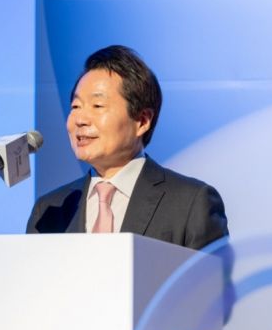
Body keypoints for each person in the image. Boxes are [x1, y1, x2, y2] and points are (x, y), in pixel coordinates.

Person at [26, 45, 228, 250]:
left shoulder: (191, 203)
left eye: (98, 106)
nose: (80, 120)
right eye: (76, 107)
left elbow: (210, 272)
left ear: (142, 121)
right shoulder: (49, 209)